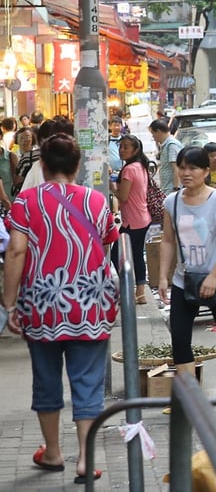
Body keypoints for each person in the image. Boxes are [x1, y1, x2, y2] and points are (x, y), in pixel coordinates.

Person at [2, 133, 118, 484]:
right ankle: (86, 458)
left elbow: (16, 252)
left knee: (46, 378)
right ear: (78, 165)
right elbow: (109, 240)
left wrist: (9, 303)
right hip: (89, 304)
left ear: (42, 165)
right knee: (88, 382)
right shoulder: (96, 201)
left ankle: (53, 452)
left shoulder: (25, 202)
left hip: (41, 304)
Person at [157, 146, 216, 391]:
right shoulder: (172, 202)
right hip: (183, 280)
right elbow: (167, 240)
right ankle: (191, 397)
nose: (186, 173)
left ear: (206, 171)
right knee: (179, 340)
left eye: (193, 168)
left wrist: (213, 274)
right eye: (182, 167)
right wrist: (163, 278)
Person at [113, 134, 152, 305]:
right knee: (136, 255)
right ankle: (140, 293)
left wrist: (111, 186)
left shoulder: (129, 169)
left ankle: (128, 290)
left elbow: (123, 196)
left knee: (117, 255)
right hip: (142, 218)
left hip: (133, 221)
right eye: (120, 146)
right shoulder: (140, 166)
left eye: (126, 147)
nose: (122, 150)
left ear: (135, 150)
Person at [149, 119, 183, 195]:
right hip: (167, 189)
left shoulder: (171, 145)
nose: (153, 137)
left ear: (158, 132)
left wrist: (176, 189)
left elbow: (176, 168)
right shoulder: (166, 145)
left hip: (171, 190)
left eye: (153, 134)